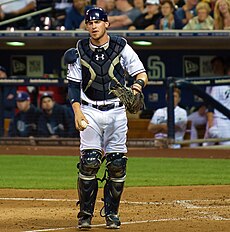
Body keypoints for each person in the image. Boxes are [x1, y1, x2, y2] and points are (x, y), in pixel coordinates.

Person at [65, 7, 148, 229]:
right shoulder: (79, 50)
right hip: (89, 109)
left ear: (107, 24)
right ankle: (85, 215)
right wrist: (77, 111)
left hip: (116, 110)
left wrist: (136, 89)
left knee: (117, 164)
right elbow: (73, 86)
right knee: (89, 162)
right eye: (89, 23)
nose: (93, 26)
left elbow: (141, 73)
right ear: (86, 26)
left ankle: (112, 213)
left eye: (98, 22)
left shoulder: (121, 46)